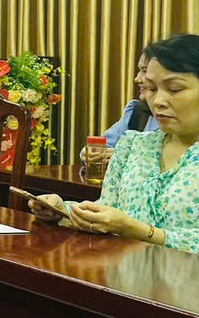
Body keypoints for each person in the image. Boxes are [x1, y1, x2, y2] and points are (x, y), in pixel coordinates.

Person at [30, 33, 199, 254]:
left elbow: (124, 225)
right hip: (124, 272)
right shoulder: (133, 145)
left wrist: (139, 231)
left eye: (174, 89)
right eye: (152, 89)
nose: (158, 101)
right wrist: (65, 211)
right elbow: (108, 209)